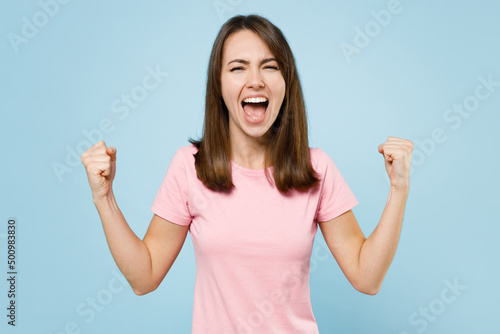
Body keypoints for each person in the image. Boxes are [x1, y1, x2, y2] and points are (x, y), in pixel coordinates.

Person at [81, 14, 413, 334]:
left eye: (270, 66)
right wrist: (104, 198)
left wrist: (399, 189)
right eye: (238, 68)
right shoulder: (189, 167)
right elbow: (145, 277)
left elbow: (367, 279)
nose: (255, 80)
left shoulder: (316, 169)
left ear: (286, 83)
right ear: (219, 84)